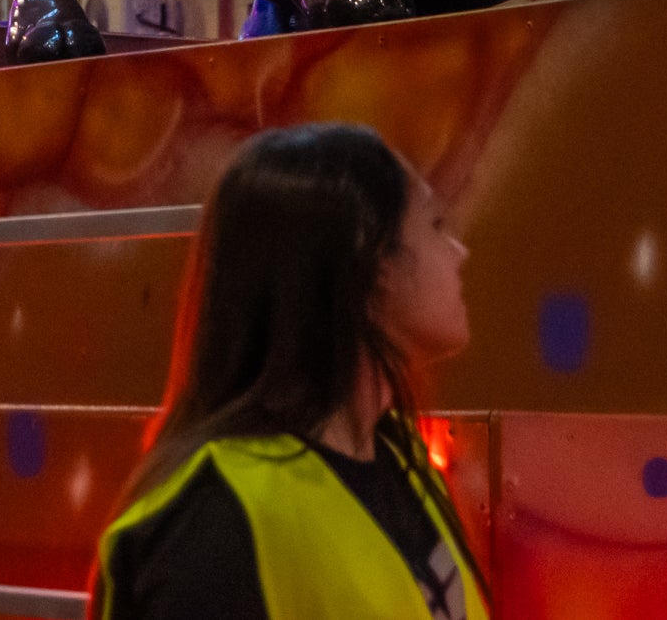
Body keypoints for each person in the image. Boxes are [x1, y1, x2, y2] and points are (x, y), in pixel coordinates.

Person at [92, 123, 487, 620]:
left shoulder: (394, 456)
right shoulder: (210, 524)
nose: (460, 252)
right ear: (371, 261)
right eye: (435, 226)